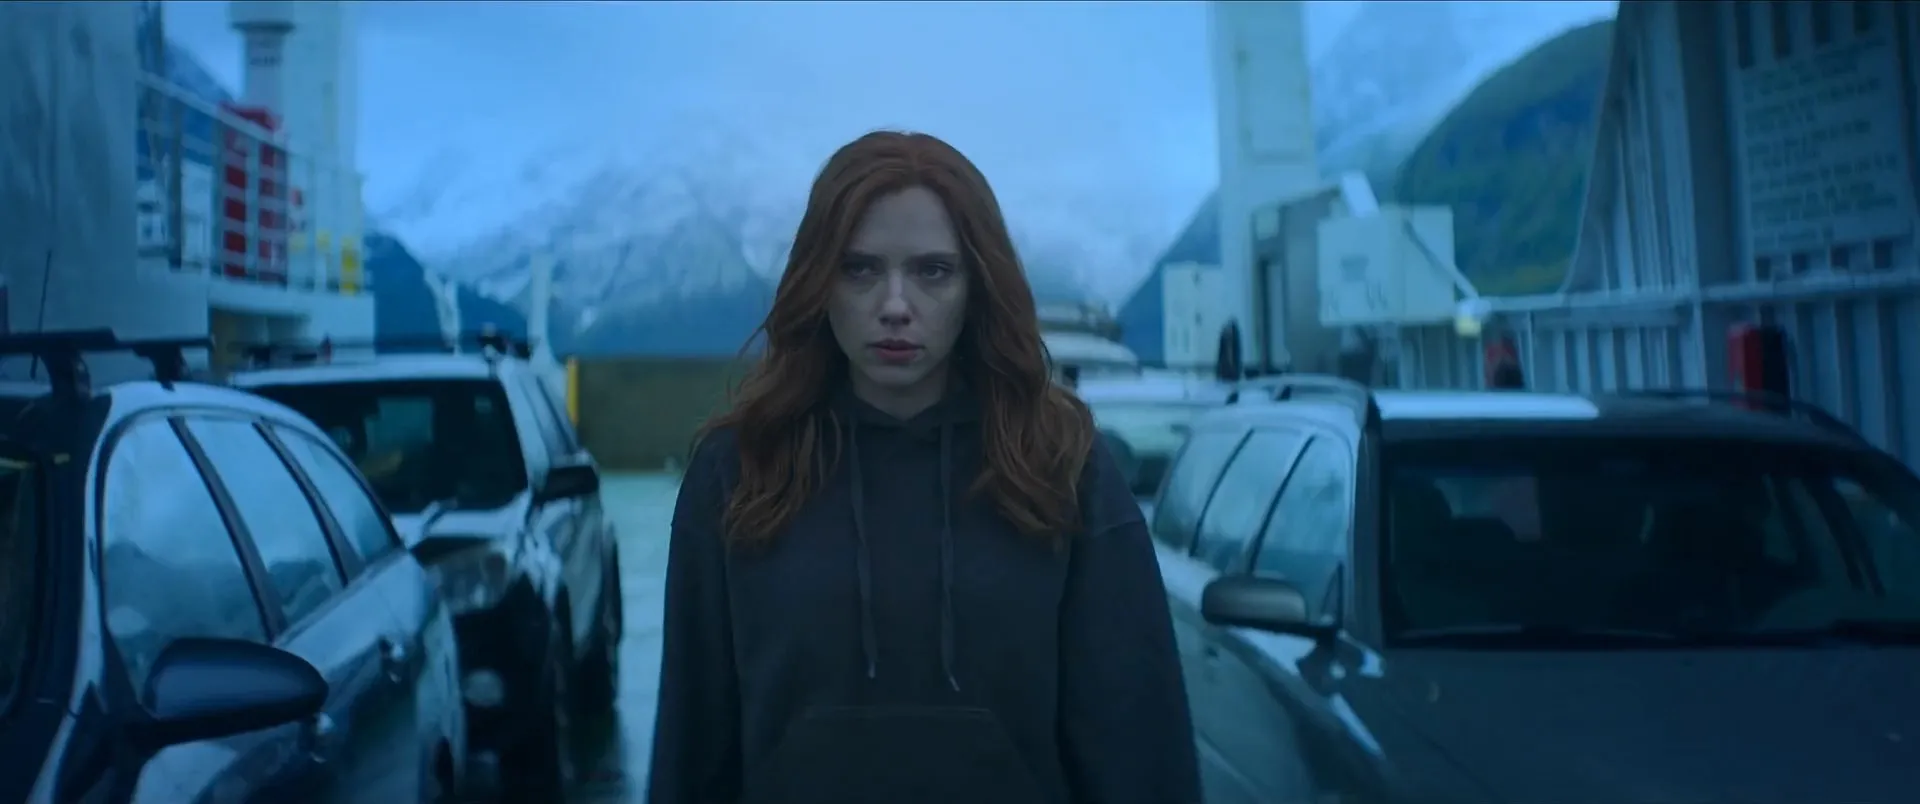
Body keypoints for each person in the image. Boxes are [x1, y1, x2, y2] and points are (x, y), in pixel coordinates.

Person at [647, 130, 1200, 804]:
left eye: (933, 271)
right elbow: (692, 739)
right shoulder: (740, 467)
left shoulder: (1060, 462)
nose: (894, 305)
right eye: (860, 269)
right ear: (819, 283)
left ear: (977, 285)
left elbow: (1137, 739)